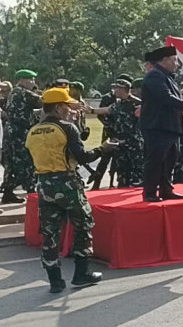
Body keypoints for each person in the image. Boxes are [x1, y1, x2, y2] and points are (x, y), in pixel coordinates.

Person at [25, 87, 118, 293]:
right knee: (83, 225)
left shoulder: (33, 130)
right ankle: (81, 274)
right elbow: (83, 157)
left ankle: (55, 281)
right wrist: (103, 149)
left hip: (44, 185)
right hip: (67, 184)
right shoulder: (67, 128)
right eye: (68, 106)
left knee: (50, 233)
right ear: (58, 108)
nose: (71, 110)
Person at [140, 46, 183, 202]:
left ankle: (166, 189)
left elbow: (171, 103)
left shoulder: (168, 77)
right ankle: (150, 192)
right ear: (165, 60)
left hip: (171, 126)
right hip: (158, 126)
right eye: (174, 60)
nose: (177, 64)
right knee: (156, 160)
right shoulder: (154, 76)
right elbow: (164, 97)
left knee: (170, 160)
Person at [90, 78, 144, 188]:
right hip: (120, 142)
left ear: (124, 89)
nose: (114, 90)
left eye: (117, 88)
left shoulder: (137, 103)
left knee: (136, 170)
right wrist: (91, 110)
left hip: (134, 143)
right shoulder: (118, 104)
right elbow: (107, 110)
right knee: (122, 171)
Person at [1, 69, 42, 204]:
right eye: (31, 80)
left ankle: (8, 193)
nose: (33, 82)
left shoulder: (14, 92)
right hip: (20, 133)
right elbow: (44, 102)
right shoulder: (24, 93)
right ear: (23, 80)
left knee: (11, 163)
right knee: (26, 162)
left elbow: (25, 111)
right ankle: (32, 193)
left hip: (11, 131)